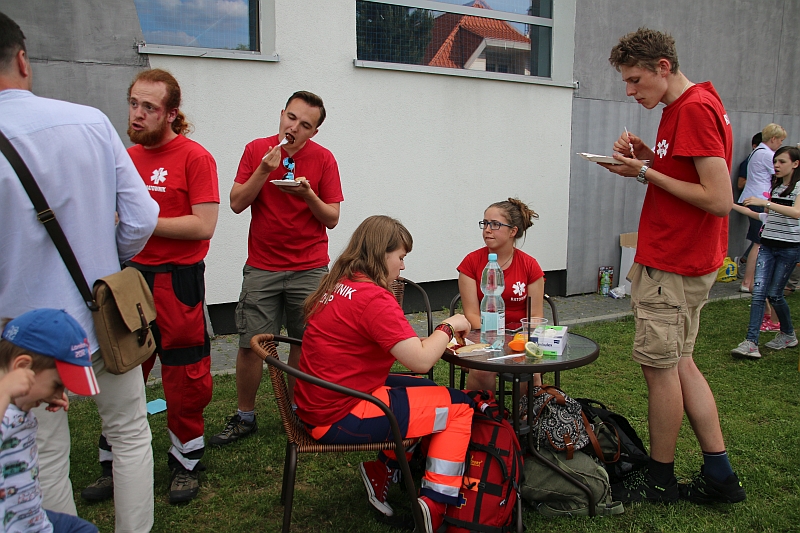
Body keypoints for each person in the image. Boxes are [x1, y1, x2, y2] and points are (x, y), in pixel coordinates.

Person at [0, 12, 159, 531]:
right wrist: (103, 259)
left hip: (22, 329)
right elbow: (142, 216)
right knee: (130, 431)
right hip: (102, 311)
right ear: (23, 59)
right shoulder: (89, 121)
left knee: (44, 448)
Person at [601, 28, 746, 505]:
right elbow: (688, 175)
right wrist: (649, 157)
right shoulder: (683, 107)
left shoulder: (693, 110)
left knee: (659, 369)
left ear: (664, 66)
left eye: (636, 79)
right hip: (681, 258)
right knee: (681, 363)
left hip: (674, 262)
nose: (630, 91)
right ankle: (720, 475)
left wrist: (643, 171)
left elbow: (720, 200)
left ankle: (660, 481)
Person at [81, 69, 219, 504]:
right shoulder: (126, 156)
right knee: (122, 368)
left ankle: (186, 461)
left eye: (149, 108)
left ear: (172, 114)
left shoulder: (195, 157)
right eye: (133, 103)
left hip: (177, 282)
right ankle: (114, 462)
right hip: (130, 279)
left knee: (184, 375)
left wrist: (145, 222)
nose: (137, 114)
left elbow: (204, 224)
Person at [294, 215, 475, 533]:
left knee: (427, 391)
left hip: (319, 402)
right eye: (401, 257)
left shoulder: (342, 284)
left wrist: (427, 342)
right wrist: (449, 326)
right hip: (338, 415)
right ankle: (435, 508)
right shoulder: (374, 298)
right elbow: (419, 361)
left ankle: (382, 470)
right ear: (381, 254)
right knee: (459, 407)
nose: (403, 266)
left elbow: (392, 346)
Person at [211, 91, 343, 446]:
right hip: (263, 266)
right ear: (282, 114)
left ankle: (299, 411)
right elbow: (237, 203)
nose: (294, 128)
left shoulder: (324, 159)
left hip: (310, 267)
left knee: (303, 341)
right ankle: (245, 416)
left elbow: (332, 218)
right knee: (251, 344)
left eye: (305, 125)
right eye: (291, 118)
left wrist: (308, 195)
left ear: (314, 132)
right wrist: (264, 170)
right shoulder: (257, 150)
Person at [0, 309, 100, 533]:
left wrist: (42, 393)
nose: (60, 391)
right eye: (57, 383)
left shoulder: (16, 406)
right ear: (22, 367)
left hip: (30, 517)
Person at [457, 198, 545, 391]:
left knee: (527, 368)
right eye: (485, 223)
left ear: (513, 231)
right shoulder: (471, 263)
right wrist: (498, 338)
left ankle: (525, 416)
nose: (487, 229)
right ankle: (483, 413)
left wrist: (519, 338)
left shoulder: (530, 265)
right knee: (482, 370)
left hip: (520, 337)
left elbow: (536, 315)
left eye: (495, 224)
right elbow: (472, 315)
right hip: (484, 335)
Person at [731, 146, 800, 359]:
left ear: (795, 164)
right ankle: (751, 342)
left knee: (774, 294)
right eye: (775, 161)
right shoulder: (776, 188)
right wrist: (730, 204)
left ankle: (788, 334)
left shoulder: (798, 187)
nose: (776, 166)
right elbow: (765, 217)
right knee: (759, 292)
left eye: (782, 162)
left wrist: (765, 202)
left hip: (789, 249)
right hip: (767, 246)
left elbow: (797, 213)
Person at [738, 124, 787, 293]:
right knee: (759, 242)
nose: (780, 144)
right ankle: (748, 282)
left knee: (757, 241)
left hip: (755, 198)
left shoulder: (757, 152)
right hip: (759, 199)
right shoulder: (767, 154)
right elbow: (781, 174)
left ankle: (748, 278)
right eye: (780, 141)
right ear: (773, 139)